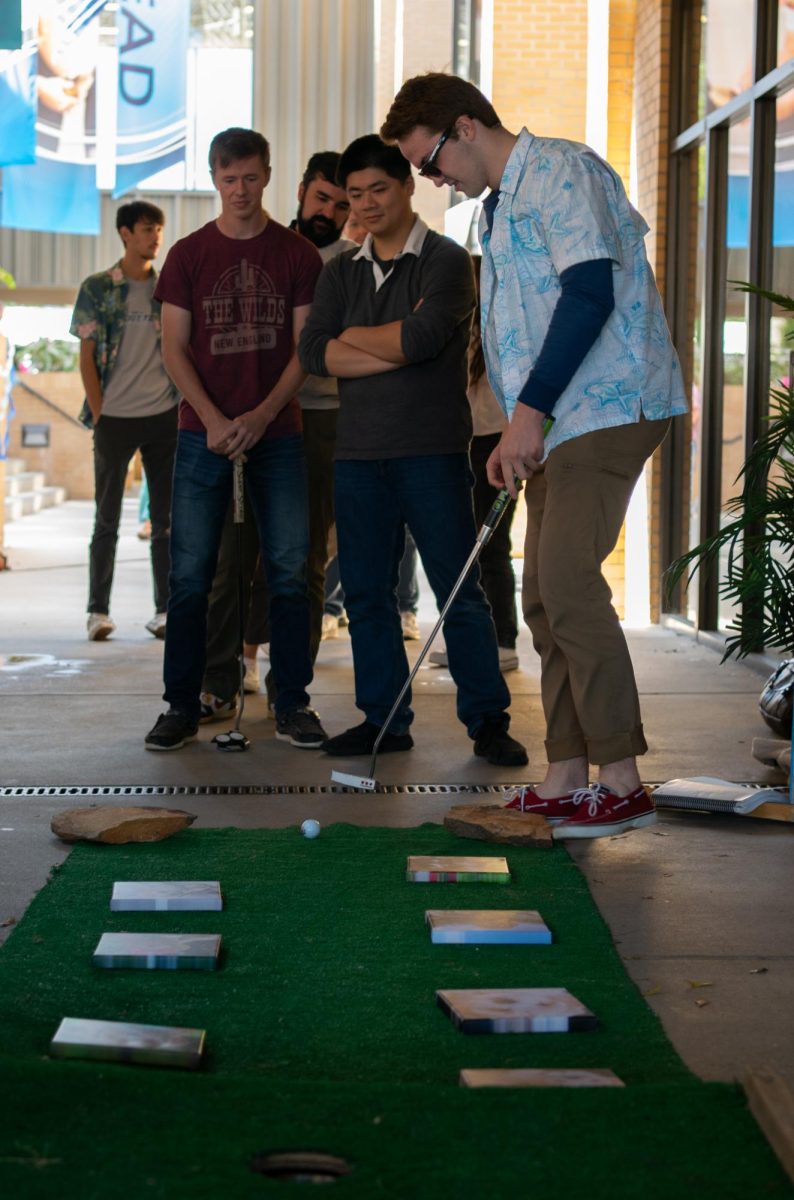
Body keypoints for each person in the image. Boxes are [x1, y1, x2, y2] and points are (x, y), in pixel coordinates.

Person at [382, 73, 688, 836]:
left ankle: (621, 780)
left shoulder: (561, 170)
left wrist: (527, 416)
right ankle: (566, 774)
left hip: (610, 404)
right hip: (554, 422)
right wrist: (517, 429)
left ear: (465, 128)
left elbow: (589, 294)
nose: (432, 180)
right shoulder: (494, 211)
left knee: (568, 582)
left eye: (430, 163)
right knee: (544, 598)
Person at [299, 133, 527, 768]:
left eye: (378, 190)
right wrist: (386, 349)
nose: (366, 204)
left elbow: (426, 339)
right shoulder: (341, 270)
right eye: (354, 195)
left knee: (459, 590)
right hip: (360, 456)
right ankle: (383, 721)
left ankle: (487, 722)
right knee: (368, 596)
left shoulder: (447, 261)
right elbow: (314, 350)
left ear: (405, 187)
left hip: (431, 453)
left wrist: (354, 345)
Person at [144, 126, 326, 752]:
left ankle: (293, 701)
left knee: (289, 570)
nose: (240, 190)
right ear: (214, 180)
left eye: (250, 178)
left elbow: (306, 349)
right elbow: (173, 348)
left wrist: (261, 414)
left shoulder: (297, 255)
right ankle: (181, 703)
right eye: (229, 180)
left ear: (268, 175)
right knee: (191, 576)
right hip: (202, 437)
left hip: (278, 436)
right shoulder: (189, 255)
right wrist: (218, 421)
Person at [197, 150, 354, 724]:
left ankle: (292, 690)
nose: (329, 211)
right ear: (299, 190)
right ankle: (223, 676)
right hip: (250, 420)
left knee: (303, 559)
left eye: (341, 204)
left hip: (321, 421)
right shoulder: (270, 251)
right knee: (232, 557)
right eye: (321, 198)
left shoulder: (353, 266)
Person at [71, 200, 177, 642]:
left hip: (163, 415)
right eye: (147, 229)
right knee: (107, 519)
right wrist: (99, 412)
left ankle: (165, 610)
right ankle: (98, 611)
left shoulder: (168, 287)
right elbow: (87, 355)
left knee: (168, 522)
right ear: (124, 233)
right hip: (114, 417)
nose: (155, 237)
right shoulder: (98, 287)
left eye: (159, 229)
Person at [429, 255, 519, 672]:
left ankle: (503, 642)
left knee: (492, 546)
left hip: (494, 442)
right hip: (459, 441)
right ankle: (470, 641)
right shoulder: (455, 325)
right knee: (461, 548)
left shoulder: (500, 327)